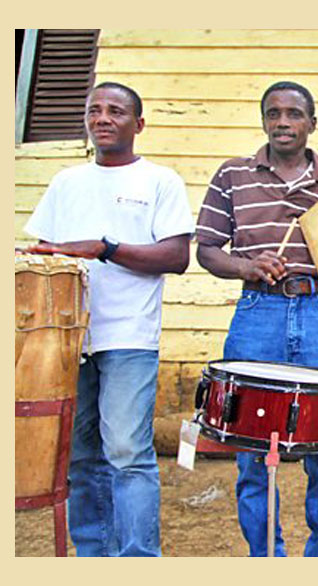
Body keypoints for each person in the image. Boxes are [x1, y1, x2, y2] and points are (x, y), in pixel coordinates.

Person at [24, 82, 194, 556]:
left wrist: (107, 248)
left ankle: (137, 558)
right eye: (94, 110)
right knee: (80, 457)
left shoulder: (160, 181)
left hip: (129, 337)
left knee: (126, 454)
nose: (102, 118)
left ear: (138, 125)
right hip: (66, 340)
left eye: (116, 111)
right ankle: (94, 554)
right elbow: (43, 254)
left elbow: (177, 256)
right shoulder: (66, 182)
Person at [195, 81, 318, 557]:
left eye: (293, 114)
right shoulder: (233, 175)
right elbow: (206, 250)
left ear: (312, 122)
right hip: (257, 313)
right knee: (252, 452)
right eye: (273, 114)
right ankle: (266, 558)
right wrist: (247, 266)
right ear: (263, 120)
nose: (283, 122)